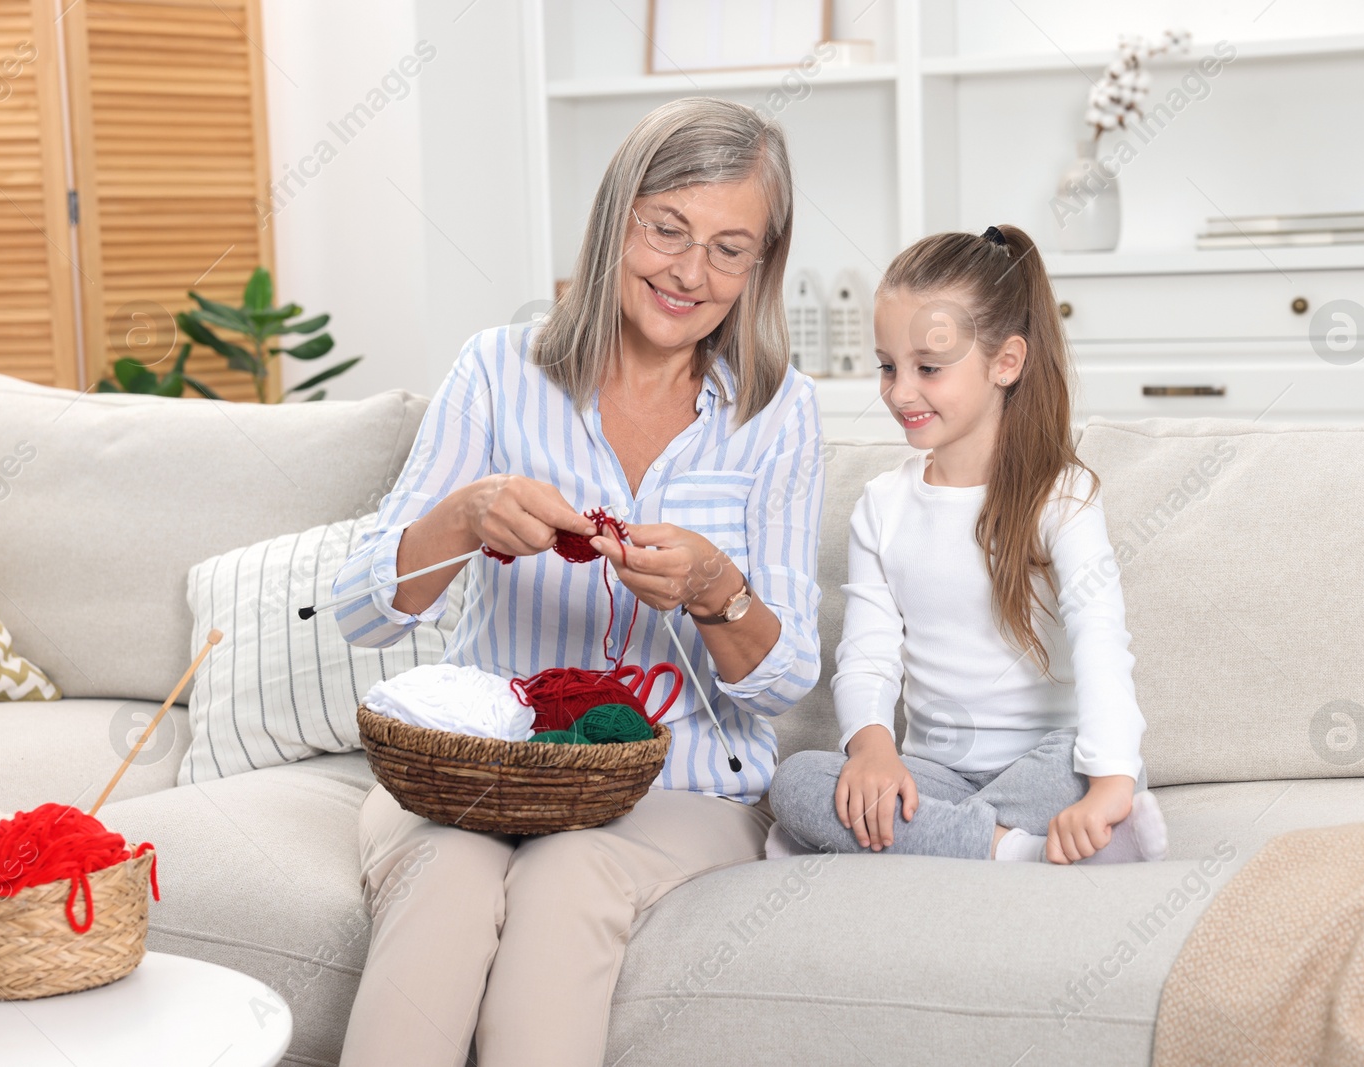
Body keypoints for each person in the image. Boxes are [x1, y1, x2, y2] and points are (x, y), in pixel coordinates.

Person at [330, 97, 823, 1067]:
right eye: (667, 229)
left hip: (680, 785)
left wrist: (718, 588)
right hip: (480, 770)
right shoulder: (496, 371)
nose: (690, 272)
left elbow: (784, 676)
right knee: (447, 882)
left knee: (567, 873)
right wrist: (462, 517)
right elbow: (360, 611)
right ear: (617, 219)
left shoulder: (780, 413)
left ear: (762, 264)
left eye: (730, 248)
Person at [767, 224, 1167, 866]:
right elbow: (868, 656)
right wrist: (871, 751)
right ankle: (1020, 851)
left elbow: (1100, 638)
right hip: (936, 775)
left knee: (1078, 762)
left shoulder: (1060, 496)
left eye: (928, 368)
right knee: (798, 784)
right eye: (888, 366)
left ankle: (927, 844)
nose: (900, 392)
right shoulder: (881, 505)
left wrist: (1113, 784)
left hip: (1047, 764)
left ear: (1006, 362)